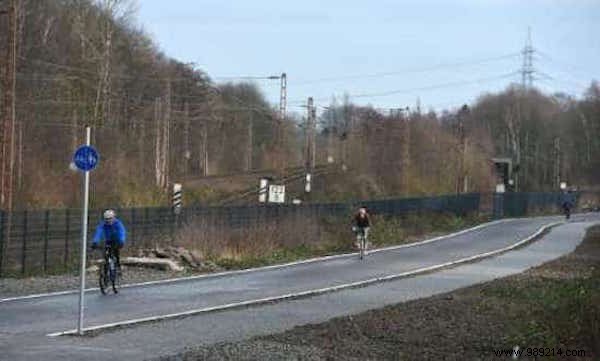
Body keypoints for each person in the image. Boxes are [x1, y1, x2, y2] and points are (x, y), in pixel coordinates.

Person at [91, 209, 127, 273]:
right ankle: (106, 270)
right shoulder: (103, 224)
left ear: (114, 217)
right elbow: (98, 232)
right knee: (106, 254)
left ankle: (118, 267)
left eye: (110, 219)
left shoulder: (118, 224)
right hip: (108, 240)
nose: (108, 221)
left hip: (117, 240)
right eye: (106, 219)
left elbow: (122, 232)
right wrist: (95, 242)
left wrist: (121, 241)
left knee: (116, 253)